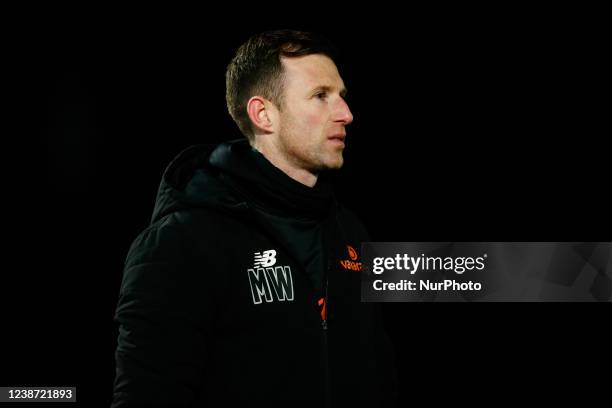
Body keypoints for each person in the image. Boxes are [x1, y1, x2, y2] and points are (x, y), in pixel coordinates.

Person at [111, 29, 397, 407]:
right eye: (320, 96)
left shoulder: (350, 231)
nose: (346, 113)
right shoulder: (182, 242)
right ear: (263, 114)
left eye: (341, 96)